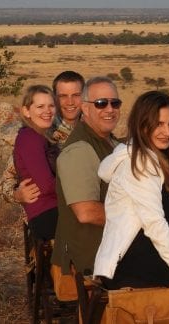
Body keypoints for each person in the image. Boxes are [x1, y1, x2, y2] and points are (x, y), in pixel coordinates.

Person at [94, 91, 169, 307]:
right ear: (142, 125)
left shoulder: (156, 158)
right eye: (158, 124)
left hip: (147, 251)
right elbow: (156, 226)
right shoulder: (140, 163)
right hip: (132, 263)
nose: (166, 132)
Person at [53, 76, 121, 276]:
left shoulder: (110, 143)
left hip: (109, 245)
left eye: (114, 103)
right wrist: (139, 220)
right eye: (101, 104)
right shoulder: (79, 150)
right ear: (85, 108)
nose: (109, 109)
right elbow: (87, 213)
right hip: (92, 254)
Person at [0, 70, 85, 206]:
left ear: (84, 96)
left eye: (76, 95)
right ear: (54, 98)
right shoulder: (39, 132)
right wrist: (17, 195)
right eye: (63, 96)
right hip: (47, 216)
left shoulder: (93, 128)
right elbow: (4, 183)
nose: (70, 102)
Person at [12, 85, 61, 241]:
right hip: (47, 212)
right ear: (26, 111)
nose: (47, 111)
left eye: (51, 106)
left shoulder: (40, 137)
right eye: (40, 106)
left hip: (52, 209)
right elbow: (46, 185)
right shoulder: (29, 138)